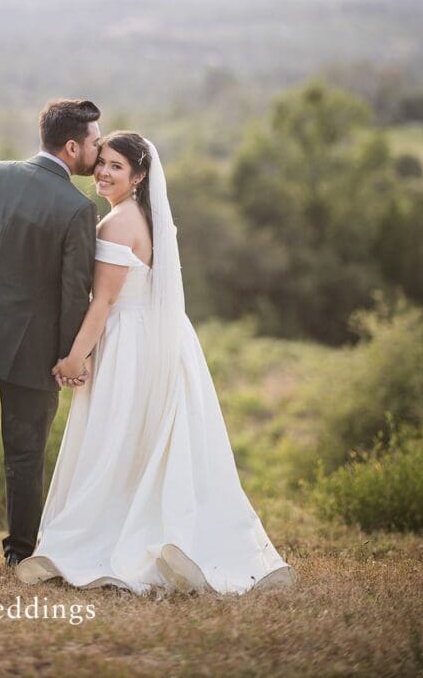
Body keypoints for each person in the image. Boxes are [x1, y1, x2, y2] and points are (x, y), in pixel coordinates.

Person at [17, 131, 296, 594]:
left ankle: (113, 539)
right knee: (141, 443)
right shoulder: (147, 217)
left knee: (116, 440)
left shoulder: (118, 224)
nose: (103, 172)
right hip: (161, 338)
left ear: (140, 175)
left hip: (130, 342)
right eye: (101, 162)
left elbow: (103, 302)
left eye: (116, 167)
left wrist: (74, 357)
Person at [0, 98, 101, 569]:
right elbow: (75, 293)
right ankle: (21, 554)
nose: (98, 148)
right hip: (33, 352)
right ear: (72, 147)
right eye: (93, 142)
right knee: (24, 456)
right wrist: (72, 357)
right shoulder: (77, 208)